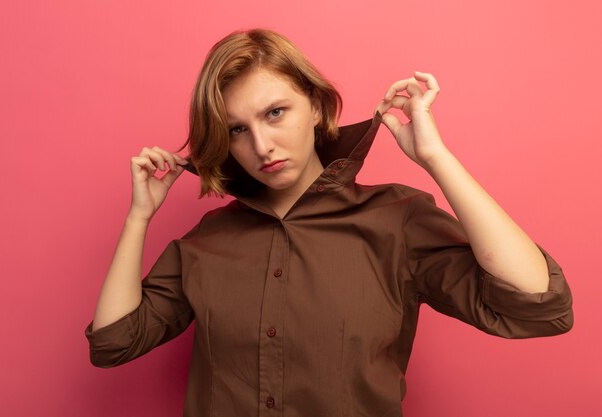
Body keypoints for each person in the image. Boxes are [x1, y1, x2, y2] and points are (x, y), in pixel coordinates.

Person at [84, 28, 574, 416]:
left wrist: (435, 157)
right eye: (238, 129)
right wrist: (139, 217)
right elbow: (114, 343)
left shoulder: (395, 220)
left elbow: (538, 305)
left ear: (316, 107)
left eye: (276, 112)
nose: (262, 145)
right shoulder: (206, 242)